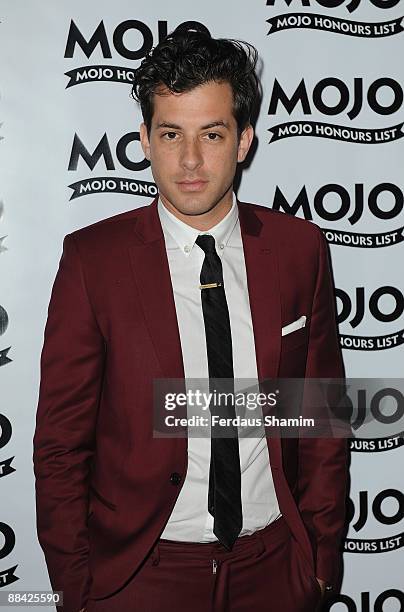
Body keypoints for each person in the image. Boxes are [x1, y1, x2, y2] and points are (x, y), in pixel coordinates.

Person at [33, 25, 349, 612]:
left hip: (275, 571)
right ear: (146, 140)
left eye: (213, 133)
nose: (191, 160)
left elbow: (323, 416)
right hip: (138, 577)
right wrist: (78, 589)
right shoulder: (93, 261)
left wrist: (321, 564)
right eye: (171, 134)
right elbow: (60, 445)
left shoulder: (299, 249)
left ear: (245, 140)